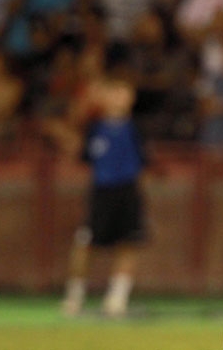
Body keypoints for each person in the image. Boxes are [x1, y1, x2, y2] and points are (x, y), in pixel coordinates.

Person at [60, 76, 148, 318]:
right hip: (102, 193)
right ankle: (74, 296)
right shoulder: (93, 127)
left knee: (129, 243)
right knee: (85, 242)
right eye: (118, 92)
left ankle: (117, 299)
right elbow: (79, 150)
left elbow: (143, 160)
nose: (124, 98)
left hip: (128, 191)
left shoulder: (135, 127)